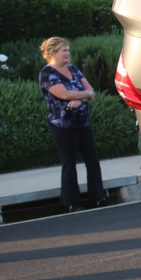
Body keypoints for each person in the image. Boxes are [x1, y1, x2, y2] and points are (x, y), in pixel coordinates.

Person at [38, 37, 107, 212]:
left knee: (92, 159)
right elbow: (64, 94)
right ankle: (72, 202)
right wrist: (83, 96)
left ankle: (98, 198)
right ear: (53, 53)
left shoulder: (74, 69)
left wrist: (80, 99)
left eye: (68, 50)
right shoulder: (47, 74)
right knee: (69, 162)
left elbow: (91, 92)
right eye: (64, 51)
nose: (68, 54)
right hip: (62, 125)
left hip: (82, 122)